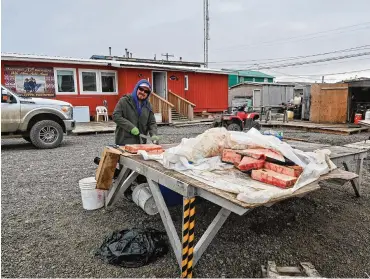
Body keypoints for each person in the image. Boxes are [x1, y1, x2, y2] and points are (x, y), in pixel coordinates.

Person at [113, 79, 159, 145]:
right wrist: (130, 127)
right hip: (124, 142)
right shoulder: (124, 101)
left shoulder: (148, 106)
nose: (143, 92)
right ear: (136, 88)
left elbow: (152, 123)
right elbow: (116, 116)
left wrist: (154, 134)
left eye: (146, 91)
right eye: (141, 89)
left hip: (141, 143)